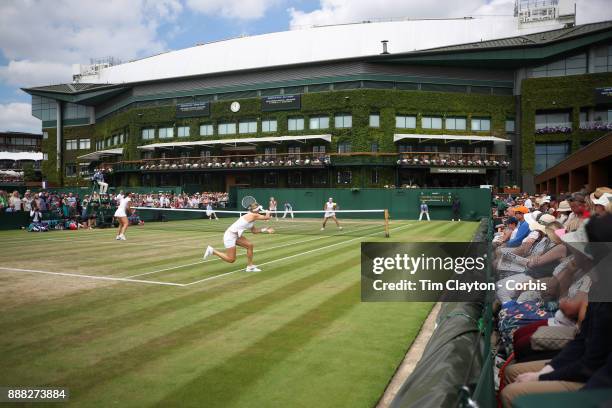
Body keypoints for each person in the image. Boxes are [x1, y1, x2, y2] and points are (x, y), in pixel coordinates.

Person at [203, 201, 274, 272]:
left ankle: (250, 266)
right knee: (231, 259)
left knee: (250, 245)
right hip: (229, 236)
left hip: (236, 236)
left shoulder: (252, 217)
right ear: (256, 210)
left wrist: (266, 229)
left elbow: (254, 231)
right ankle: (212, 251)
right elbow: (267, 217)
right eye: (258, 209)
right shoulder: (252, 215)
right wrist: (267, 211)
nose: (259, 211)